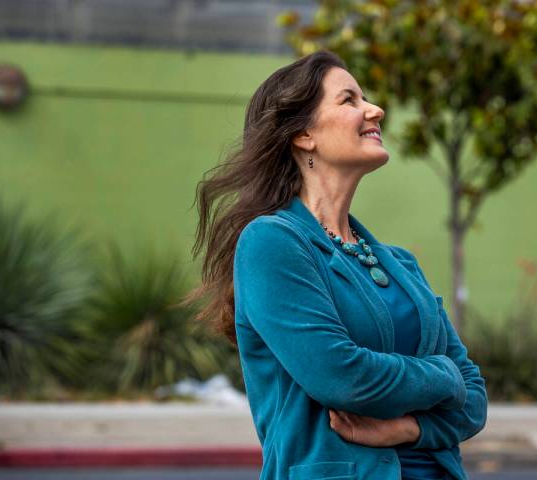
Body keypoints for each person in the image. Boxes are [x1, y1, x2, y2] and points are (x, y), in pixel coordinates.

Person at [190, 50, 487, 480]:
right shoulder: (272, 242)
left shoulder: (401, 265)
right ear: (304, 134)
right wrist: (443, 375)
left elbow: (475, 400)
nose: (375, 109)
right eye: (349, 100)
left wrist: (406, 429)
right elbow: (342, 377)